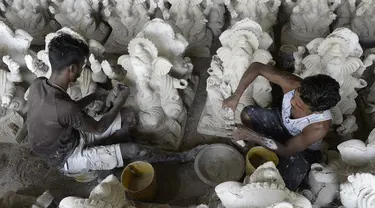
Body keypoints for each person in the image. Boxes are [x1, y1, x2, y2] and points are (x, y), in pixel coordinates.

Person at [27, 30, 203, 175]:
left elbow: (66, 111)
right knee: (136, 150)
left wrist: (97, 95)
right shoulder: (64, 107)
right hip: (66, 156)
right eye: (81, 66)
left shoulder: (39, 85)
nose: (83, 70)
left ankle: (114, 151)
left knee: (128, 116)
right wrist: (120, 100)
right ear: (72, 68)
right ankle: (182, 157)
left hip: (65, 137)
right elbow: (98, 127)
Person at [223, 62, 341, 190]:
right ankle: (258, 145)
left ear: (317, 111)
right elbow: (257, 67)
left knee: (289, 179)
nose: (291, 101)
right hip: (279, 121)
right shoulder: (293, 84)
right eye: (295, 95)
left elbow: (287, 149)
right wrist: (236, 96)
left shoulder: (318, 126)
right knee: (249, 113)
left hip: (299, 148)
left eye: (299, 106)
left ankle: (262, 143)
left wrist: (253, 136)